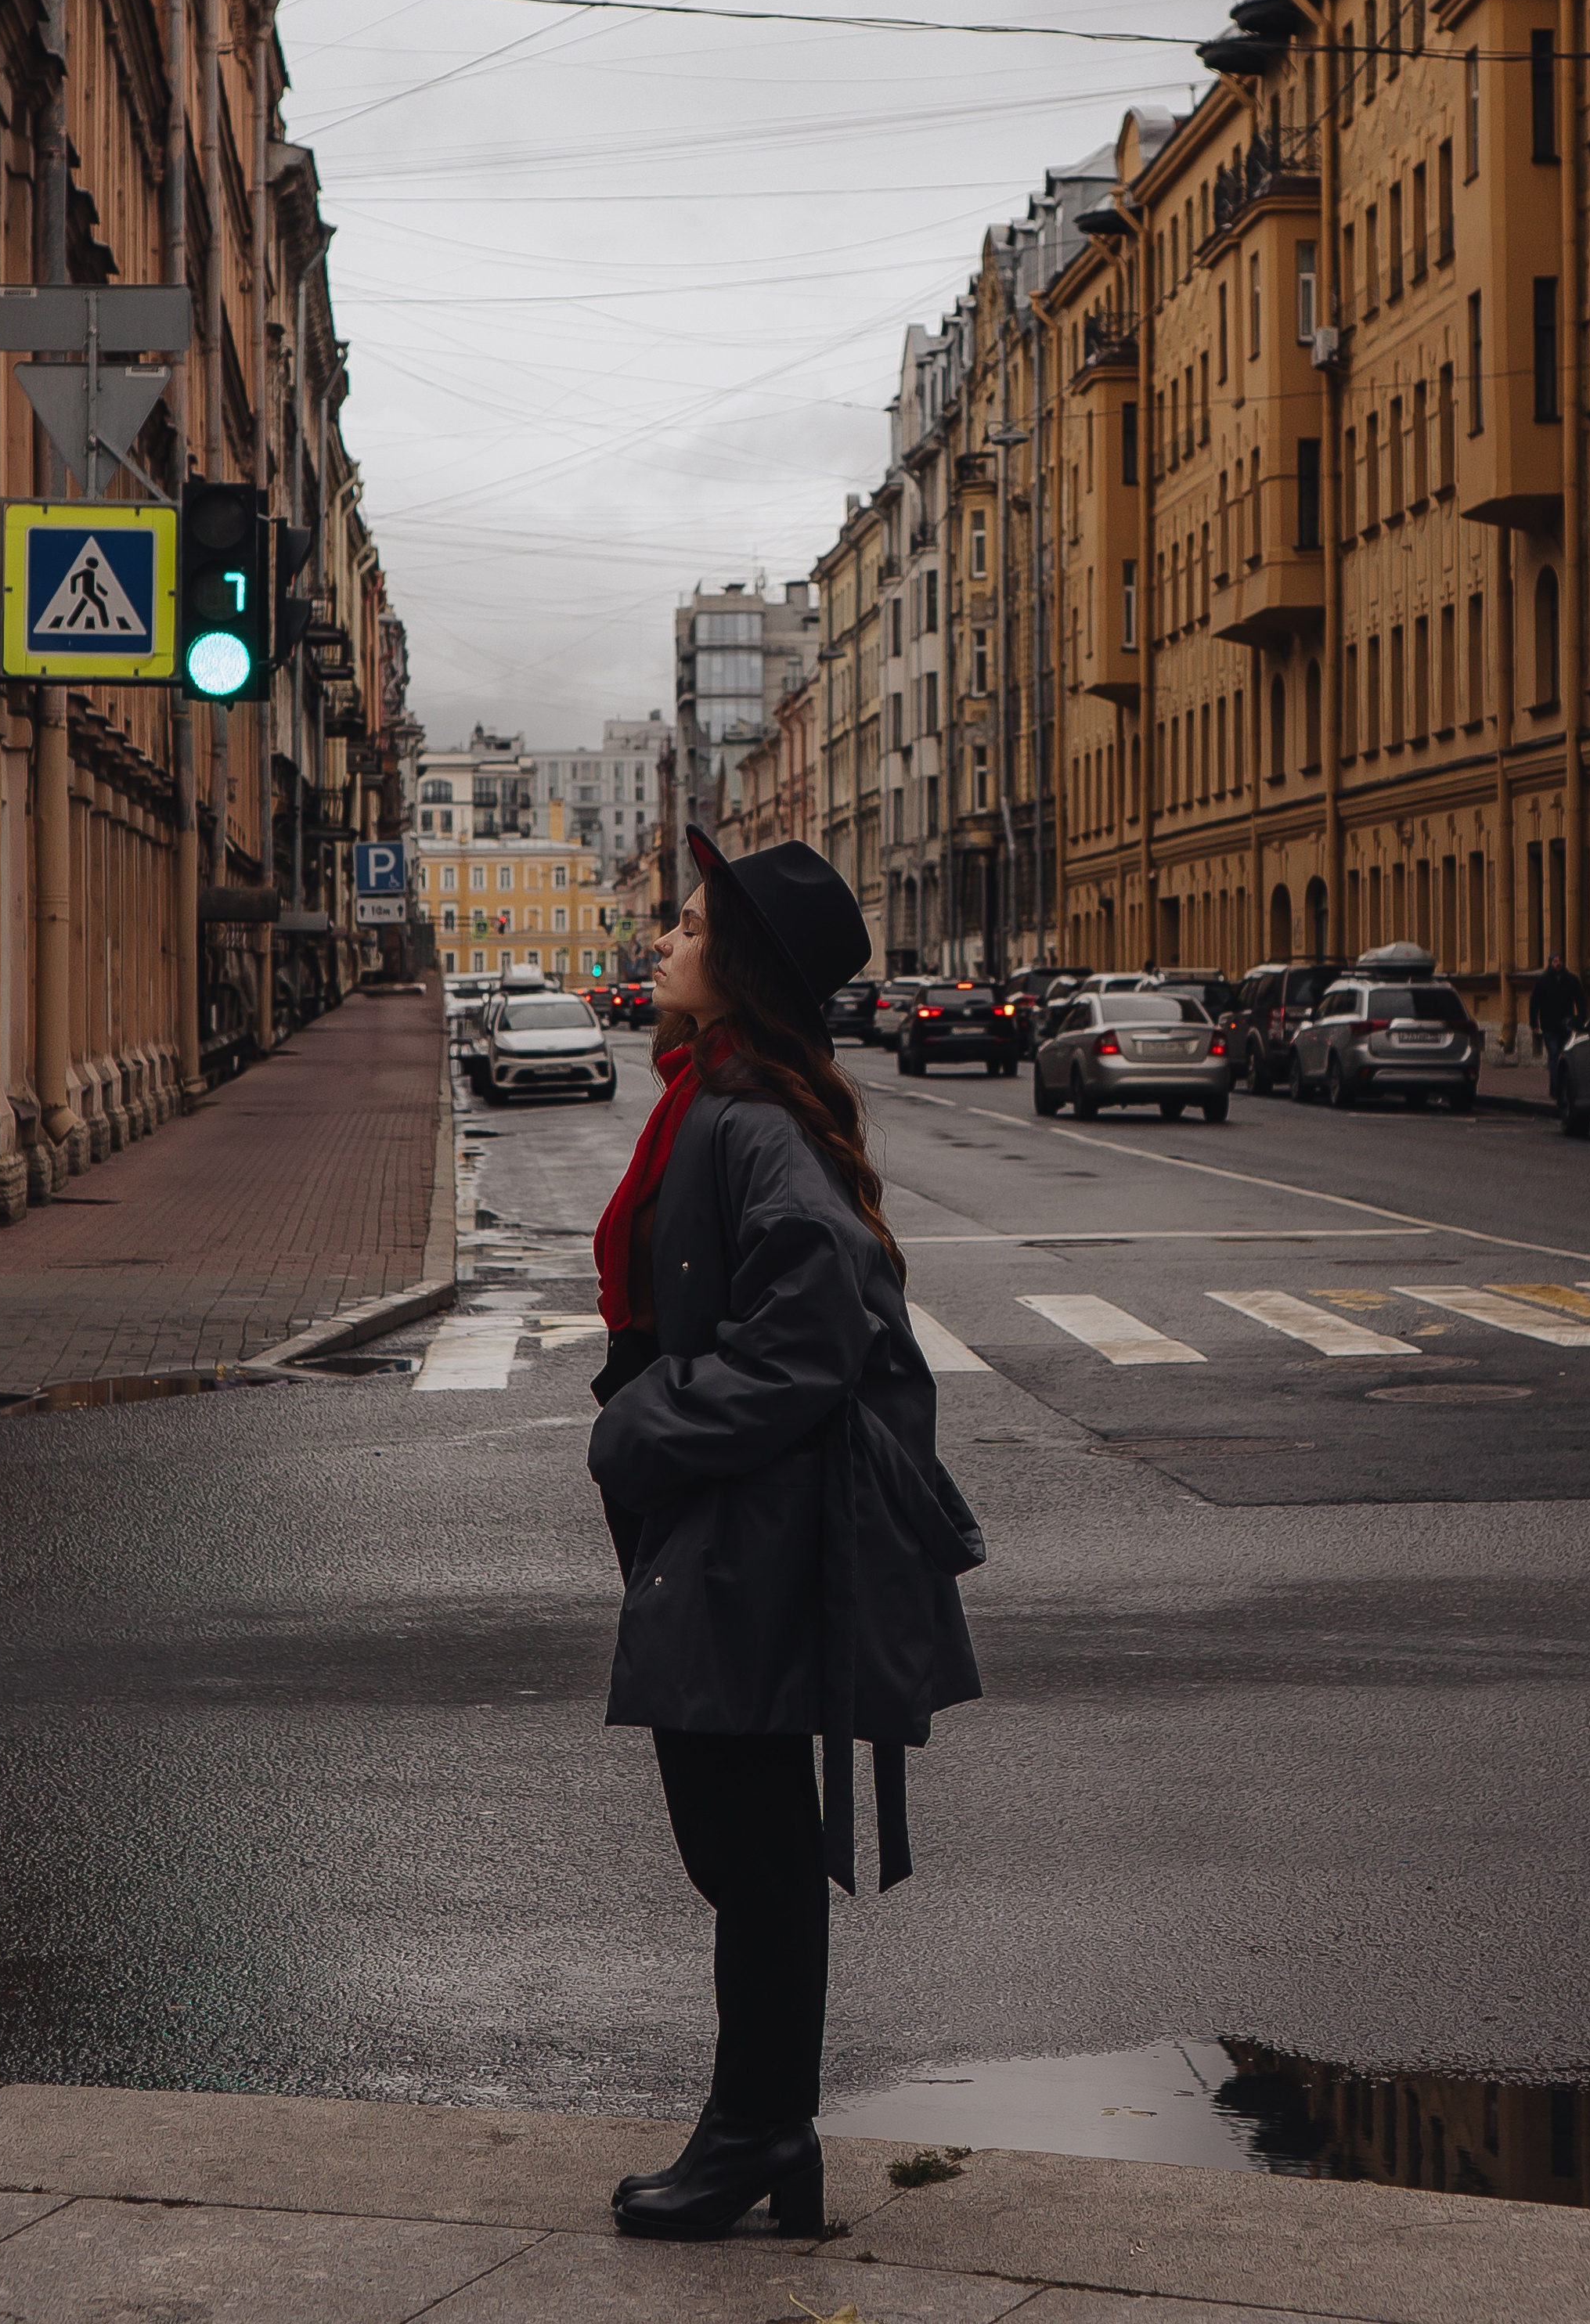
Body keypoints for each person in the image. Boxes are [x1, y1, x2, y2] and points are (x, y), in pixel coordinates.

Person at [586, 827, 983, 2243]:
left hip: (755, 1529)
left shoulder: (744, 1120)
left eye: (690, 928)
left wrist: (643, 1425)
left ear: (740, 971)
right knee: (740, 1842)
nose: (665, 941)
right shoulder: (716, 1099)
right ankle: (766, 2131)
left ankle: (756, 2129)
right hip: (734, 1517)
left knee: (746, 1845)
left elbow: (812, 1331)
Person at [1528, 949, 1586, 1079]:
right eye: (1555, 961)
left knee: (1565, 1055)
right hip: (1549, 1026)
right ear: (1550, 963)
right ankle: (1555, 1087)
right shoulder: (1542, 981)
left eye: (1560, 961)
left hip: (1566, 1025)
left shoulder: (1571, 980)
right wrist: (1534, 1024)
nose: (1558, 963)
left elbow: (1580, 999)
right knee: (1554, 1054)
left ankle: (1562, 1086)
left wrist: (1581, 1019)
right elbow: (1534, 1003)